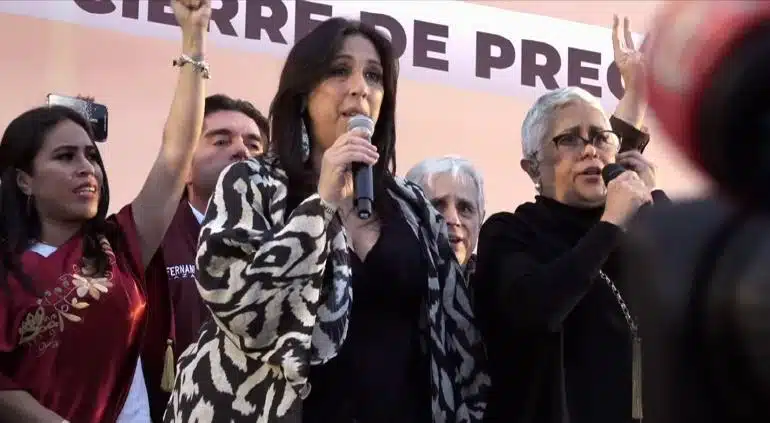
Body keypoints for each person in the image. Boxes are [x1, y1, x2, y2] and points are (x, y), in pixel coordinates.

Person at [165, 17, 488, 423]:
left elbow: (459, 340)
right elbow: (242, 309)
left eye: (374, 76)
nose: (360, 87)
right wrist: (322, 204)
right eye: (339, 71)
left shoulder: (413, 205)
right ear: (303, 93)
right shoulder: (253, 183)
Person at [0, 1, 210, 422]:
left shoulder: (118, 246)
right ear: (25, 180)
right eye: (64, 156)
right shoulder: (6, 267)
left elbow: (174, 156)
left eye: (91, 156)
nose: (86, 168)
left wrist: (194, 38)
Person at [473, 17, 661, 423]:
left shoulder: (638, 225)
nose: (589, 151)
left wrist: (647, 206)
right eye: (569, 140)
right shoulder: (513, 233)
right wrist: (610, 225)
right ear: (533, 167)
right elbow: (535, 312)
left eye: (599, 138)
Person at [141, 93, 268, 422]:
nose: (242, 150)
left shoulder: (290, 244)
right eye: (221, 140)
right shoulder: (150, 243)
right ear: (184, 167)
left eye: (254, 145)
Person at [405, 155, 485, 275]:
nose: (453, 219)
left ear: (480, 221)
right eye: (436, 206)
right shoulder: (387, 285)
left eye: (465, 208)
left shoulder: (498, 288)